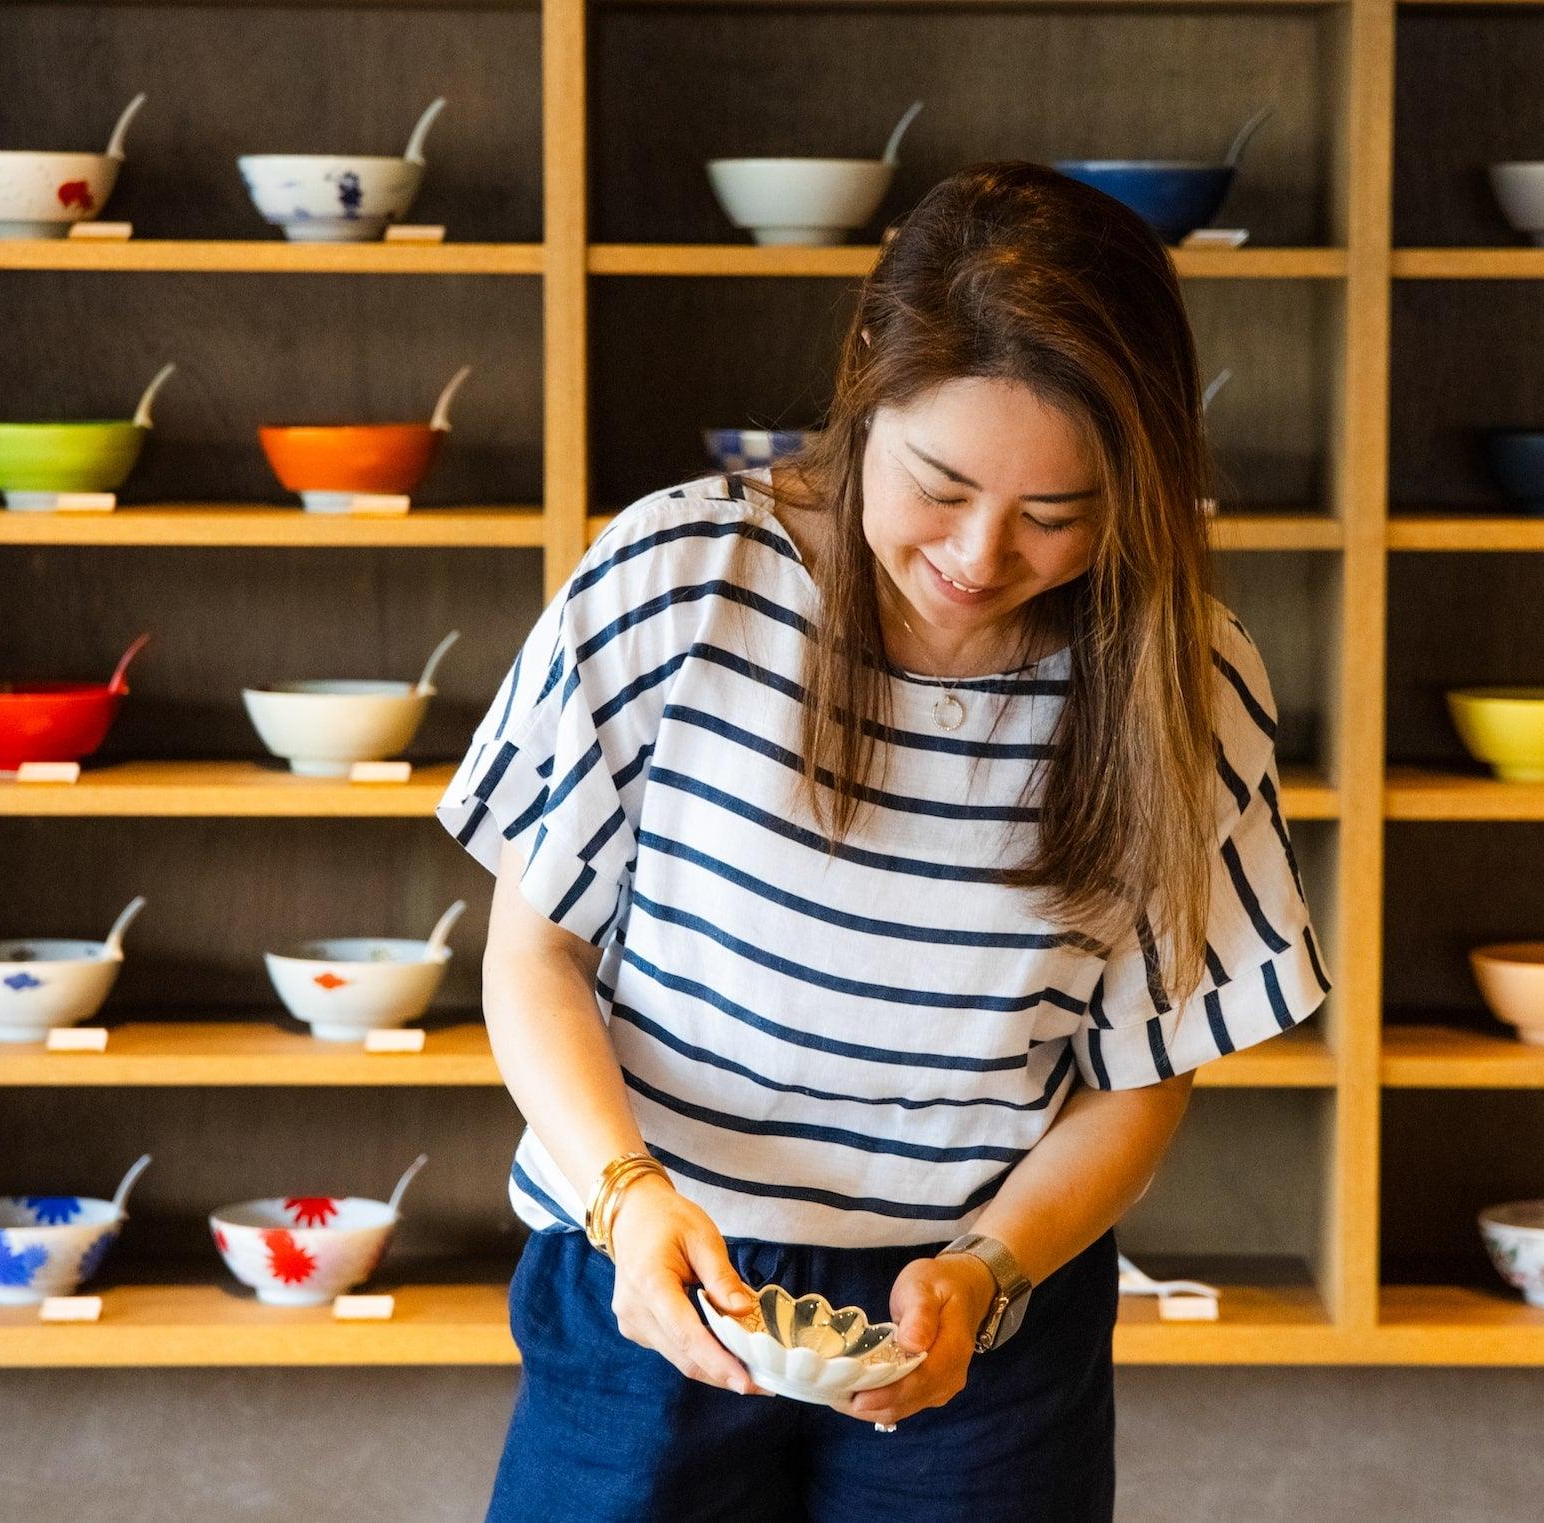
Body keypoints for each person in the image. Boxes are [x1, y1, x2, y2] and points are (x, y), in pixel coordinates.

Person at [432, 159, 1329, 1523]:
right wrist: (626, 1202)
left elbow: (1142, 1076)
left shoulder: (1181, 686)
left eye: (1057, 515)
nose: (980, 554)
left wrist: (990, 1271)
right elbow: (532, 957)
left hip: (980, 1315)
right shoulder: (677, 584)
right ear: (869, 378)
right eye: (941, 483)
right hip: (652, 1266)